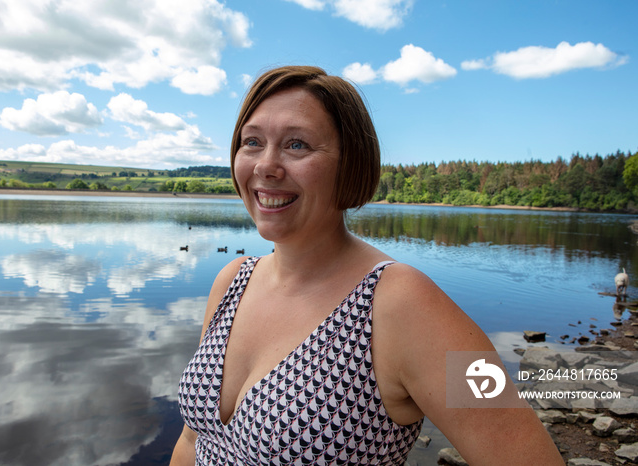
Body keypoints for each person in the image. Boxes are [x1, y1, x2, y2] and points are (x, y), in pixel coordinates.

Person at [171, 65, 564, 465]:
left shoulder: (403, 304)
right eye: (252, 141)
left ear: (350, 162)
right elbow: (191, 442)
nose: (266, 165)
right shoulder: (233, 280)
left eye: (297, 145)